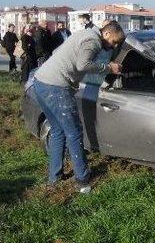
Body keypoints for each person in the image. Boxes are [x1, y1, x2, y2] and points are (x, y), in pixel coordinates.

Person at [33, 22, 125, 193]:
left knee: (58, 130)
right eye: (114, 41)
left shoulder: (83, 34)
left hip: (41, 82)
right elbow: (83, 65)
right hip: (56, 87)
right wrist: (108, 68)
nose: (114, 45)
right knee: (74, 133)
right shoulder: (93, 41)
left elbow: (56, 53)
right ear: (106, 34)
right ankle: (82, 180)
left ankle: (55, 177)